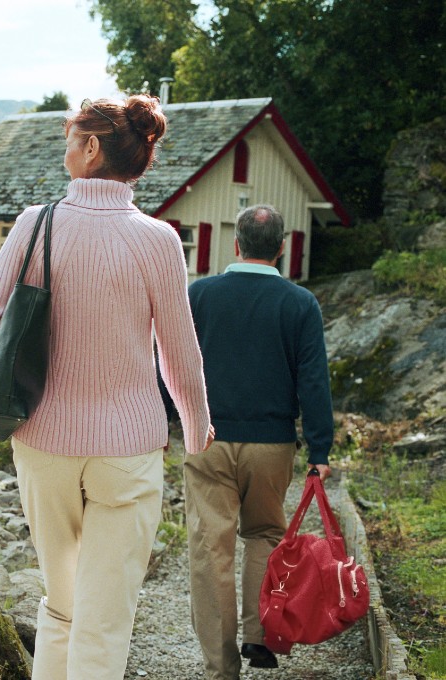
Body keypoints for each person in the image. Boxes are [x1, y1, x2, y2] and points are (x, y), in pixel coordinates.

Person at [0, 95, 214, 680]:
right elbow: (178, 352)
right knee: (104, 617)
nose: (66, 149)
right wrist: (197, 430)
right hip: (129, 450)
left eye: (70, 139)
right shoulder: (158, 240)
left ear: (92, 148)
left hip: (44, 442)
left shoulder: (35, 225)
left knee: (63, 603)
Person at [183, 204, 334, 679]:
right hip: (273, 444)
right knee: (265, 536)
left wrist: (176, 421)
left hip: (208, 440)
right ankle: (259, 634)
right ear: (283, 248)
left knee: (211, 550)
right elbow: (313, 380)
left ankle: (221, 669)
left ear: (236, 244)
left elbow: (175, 366)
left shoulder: (200, 295)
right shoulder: (300, 303)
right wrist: (320, 449)